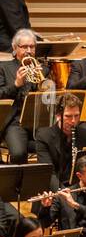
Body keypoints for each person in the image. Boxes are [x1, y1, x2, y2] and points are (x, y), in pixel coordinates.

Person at [0, 29, 41, 162]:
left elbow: (51, 97)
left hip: (39, 120)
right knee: (18, 153)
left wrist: (43, 85)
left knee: (56, 146)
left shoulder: (43, 68)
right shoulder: (3, 68)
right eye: (24, 47)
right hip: (14, 121)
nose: (29, 51)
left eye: (32, 46)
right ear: (14, 48)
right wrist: (16, 85)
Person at [32, 94, 80, 190]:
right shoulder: (44, 136)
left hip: (77, 189)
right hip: (52, 189)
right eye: (68, 116)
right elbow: (48, 173)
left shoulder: (85, 135)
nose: (73, 121)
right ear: (58, 116)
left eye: (77, 115)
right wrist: (64, 193)